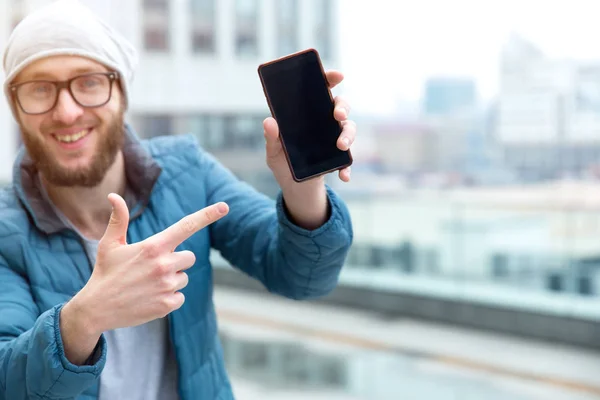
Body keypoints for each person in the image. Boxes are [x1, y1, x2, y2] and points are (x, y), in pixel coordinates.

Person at [0, 1, 356, 399]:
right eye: (39, 89)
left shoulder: (187, 170)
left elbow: (301, 277)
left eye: (88, 82)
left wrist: (302, 186)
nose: (66, 112)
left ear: (121, 92)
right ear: (16, 107)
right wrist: (84, 318)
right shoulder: (3, 229)